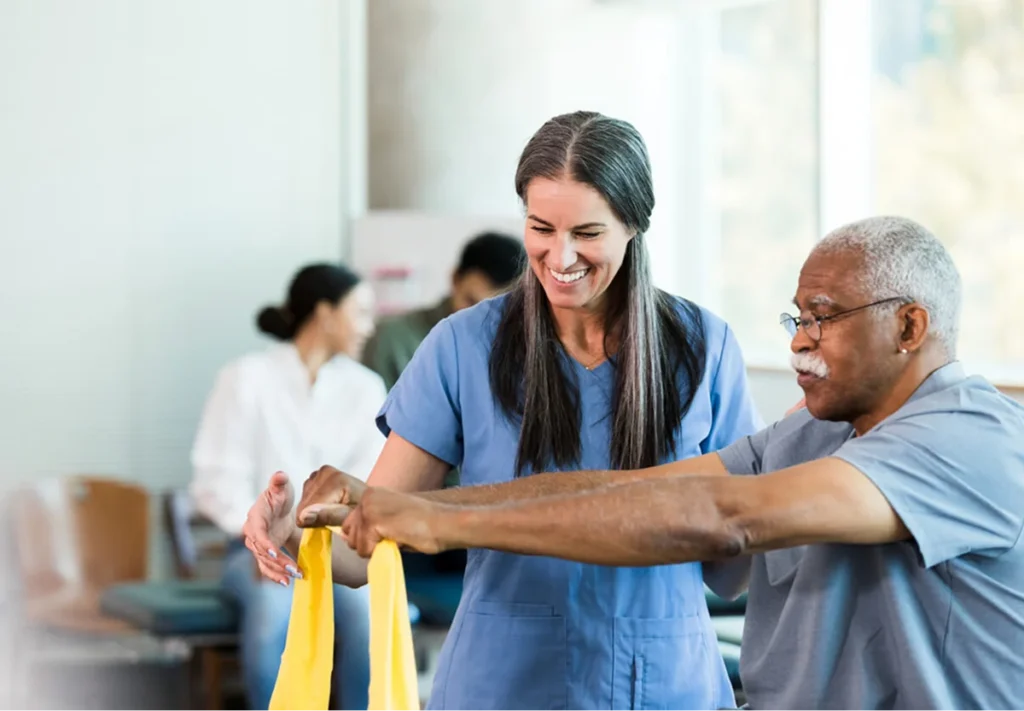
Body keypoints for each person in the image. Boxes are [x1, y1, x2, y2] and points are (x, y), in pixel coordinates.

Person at [312, 217, 1024, 710]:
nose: (801, 341)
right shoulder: (812, 432)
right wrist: (407, 506)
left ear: (908, 325)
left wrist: (442, 523)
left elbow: (723, 518)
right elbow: (635, 490)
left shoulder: (969, 435)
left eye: (823, 317)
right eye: (795, 318)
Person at [243, 111, 764, 710]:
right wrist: (291, 532)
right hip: (503, 679)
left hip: (664, 680)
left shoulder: (704, 346)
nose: (559, 255)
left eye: (587, 233)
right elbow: (367, 546)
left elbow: (732, 570)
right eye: (541, 227)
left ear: (635, 226)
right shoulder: (462, 346)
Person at [190, 263, 386, 711]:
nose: (370, 327)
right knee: (275, 613)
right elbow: (215, 481)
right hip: (255, 553)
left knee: (365, 615)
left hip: (337, 553)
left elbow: (366, 486)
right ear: (326, 313)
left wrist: (321, 538)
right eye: (362, 312)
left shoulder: (366, 388)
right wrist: (267, 538)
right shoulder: (245, 378)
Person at [361, 231, 526, 391]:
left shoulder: (521, 350)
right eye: (471, 301)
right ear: (455, 279)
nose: (479, 317)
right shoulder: (392, 340)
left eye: (496, 309)